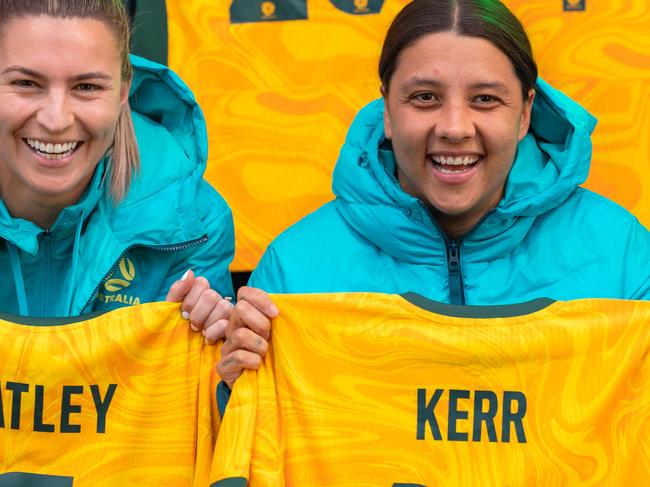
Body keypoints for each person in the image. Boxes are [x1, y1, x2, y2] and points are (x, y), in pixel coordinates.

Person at [216, 0, 650, 389]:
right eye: (425, 98)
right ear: (387, 110)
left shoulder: (624, 257)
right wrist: (234, 392)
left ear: (524, 113)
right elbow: (251, 463)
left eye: (485, 99)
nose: (455, 128)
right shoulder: (294, 272)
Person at [0, 0, 234, 331]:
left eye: (86, 87)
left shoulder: (193, 222)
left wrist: (199, 354)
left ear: (123, 92)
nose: (55, 120)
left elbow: (210, 378)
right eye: (26, 83)